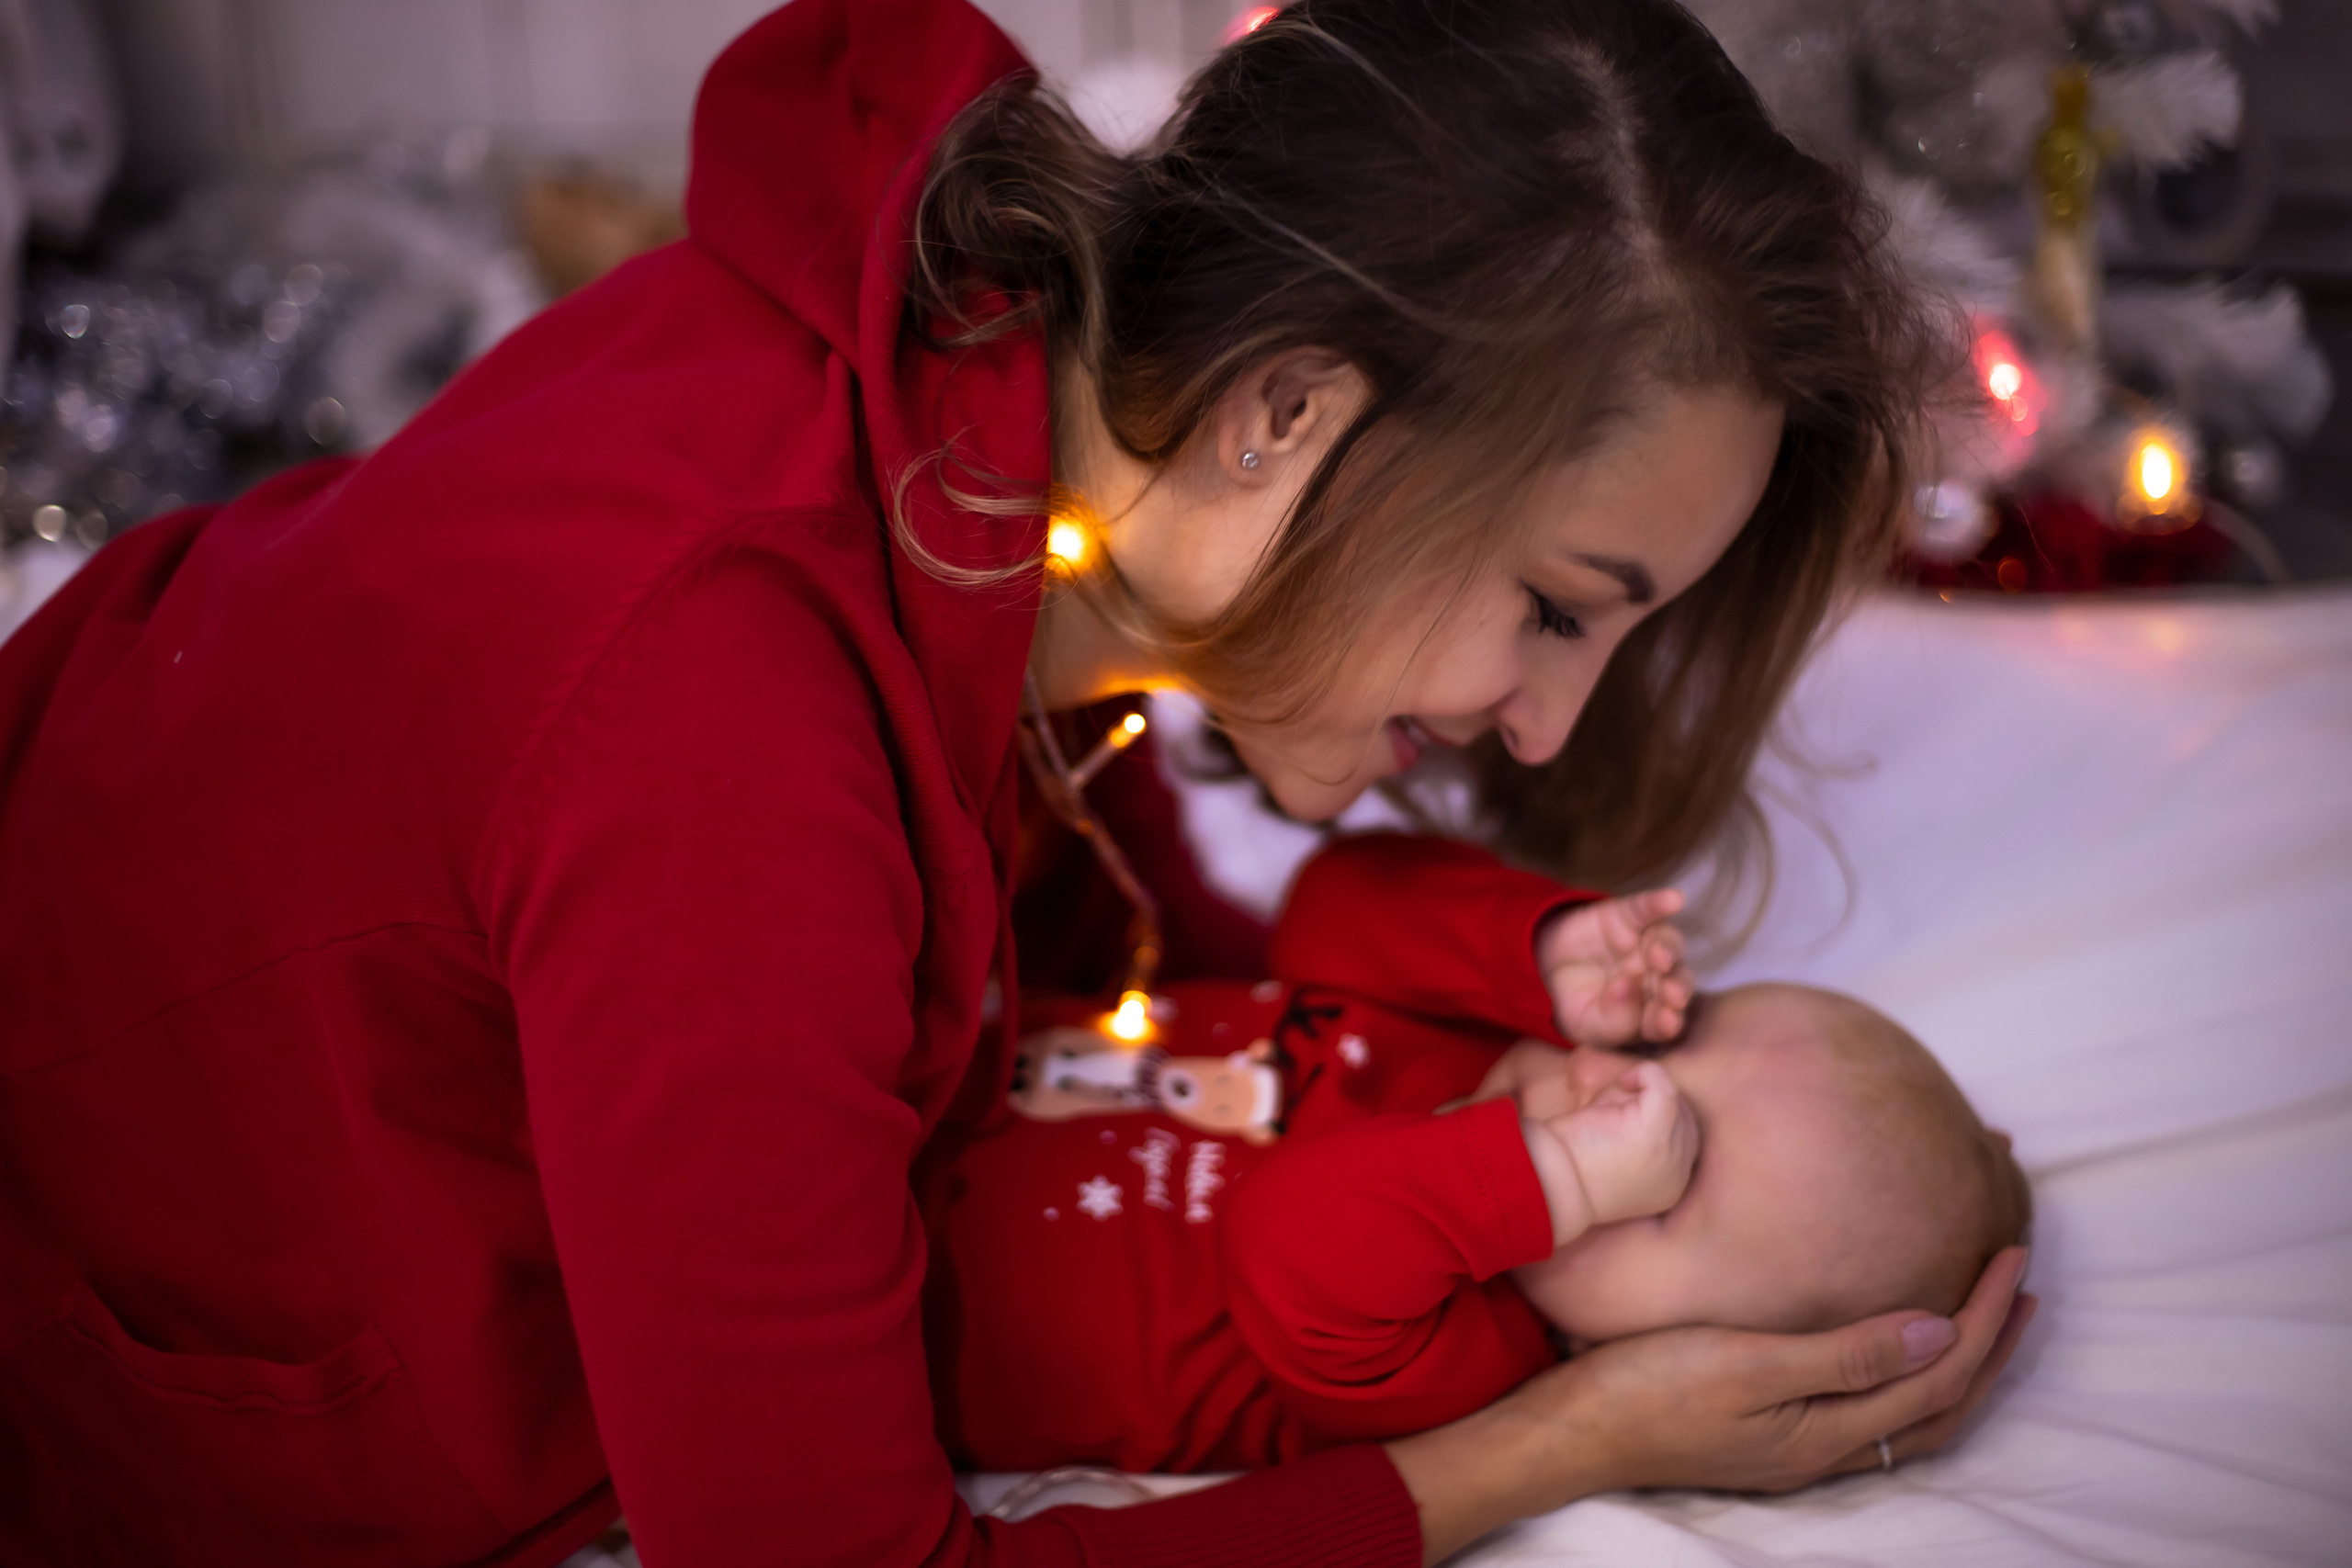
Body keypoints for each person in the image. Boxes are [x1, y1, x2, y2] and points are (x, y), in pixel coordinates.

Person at [0, 1, 2032, 1565]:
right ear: (1283, 412)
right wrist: (1553, 1447)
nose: (1543, 731)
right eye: (1550, 606)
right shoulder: (727, 744)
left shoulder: (981, 458)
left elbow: (1067, 937)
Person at [927, 833, 2030, 1473]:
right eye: (1675, 1043)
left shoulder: (1472, 1363)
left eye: (1668, 1164)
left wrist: (1555, 1180)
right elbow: (1326, 907)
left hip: (884, 1304)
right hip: (891, 1082)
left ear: (1688, 1348)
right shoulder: (1488, 1040)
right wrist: (1534, 950)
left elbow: (1288, 1238)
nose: (1611, 1090)